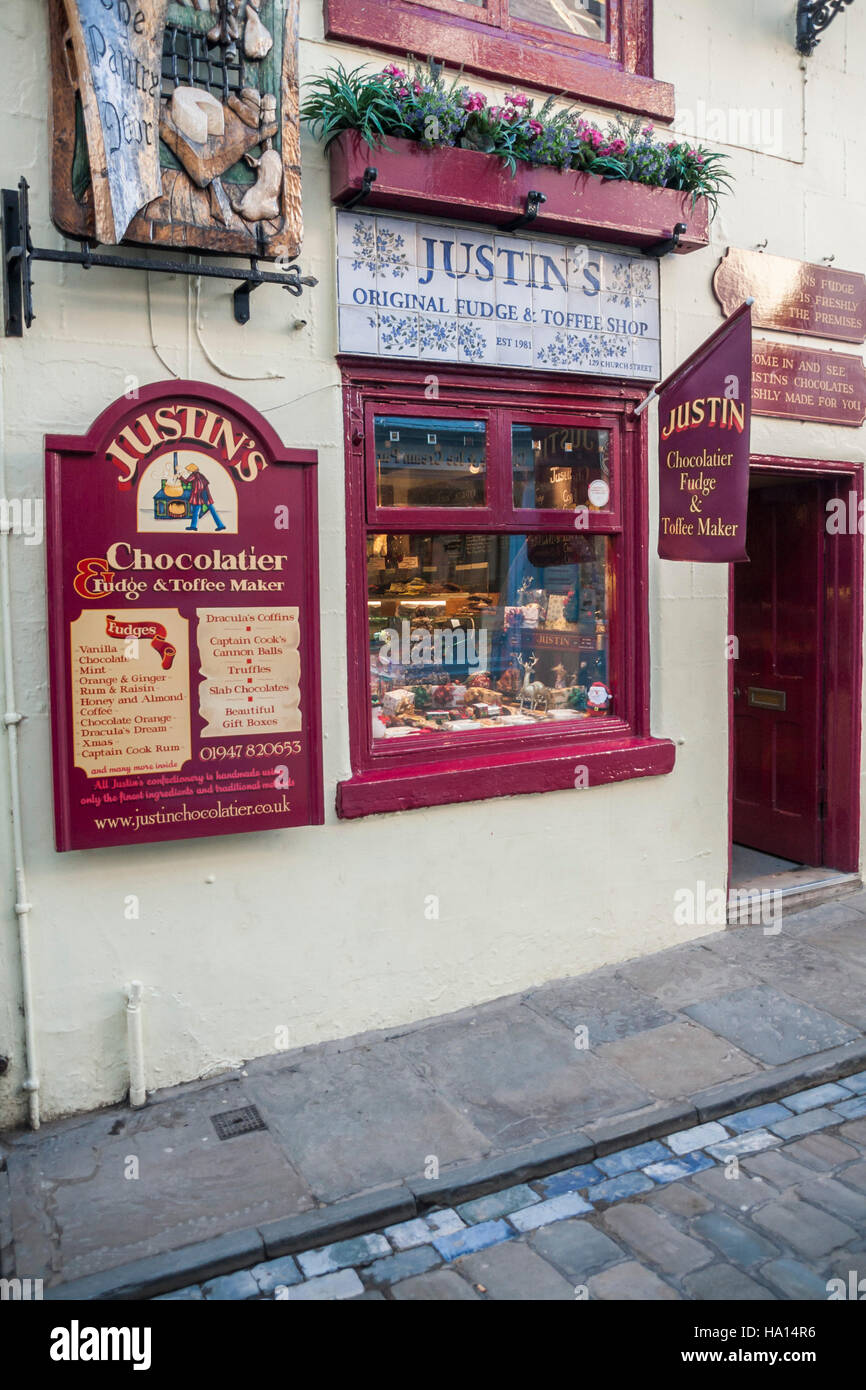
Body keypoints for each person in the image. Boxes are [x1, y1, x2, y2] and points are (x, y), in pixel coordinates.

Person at [182, 462, 226, 532]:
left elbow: (186, 482)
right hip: (205, 494)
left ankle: (194, 526)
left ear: (192, 470)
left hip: (200, 495)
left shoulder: (193, 475)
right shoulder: (200, 475)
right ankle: (220, 525)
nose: (188, 471)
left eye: (188, 470)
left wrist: (179, 477)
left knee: (197, 510)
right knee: (210, 510)